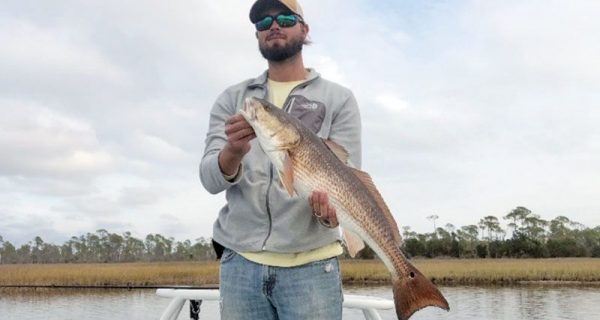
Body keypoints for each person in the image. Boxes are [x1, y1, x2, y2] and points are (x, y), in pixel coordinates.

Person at [199, 0, 361, 318]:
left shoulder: (338, 99)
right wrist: (232, 152)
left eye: (285, 18)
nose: (273, 25)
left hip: (312, 268)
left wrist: (331, 216)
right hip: (240, 266)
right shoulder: (236, 100)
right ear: (257, 35)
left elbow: (350, 179)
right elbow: (208, 179)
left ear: (304, 28)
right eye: (263, 22)